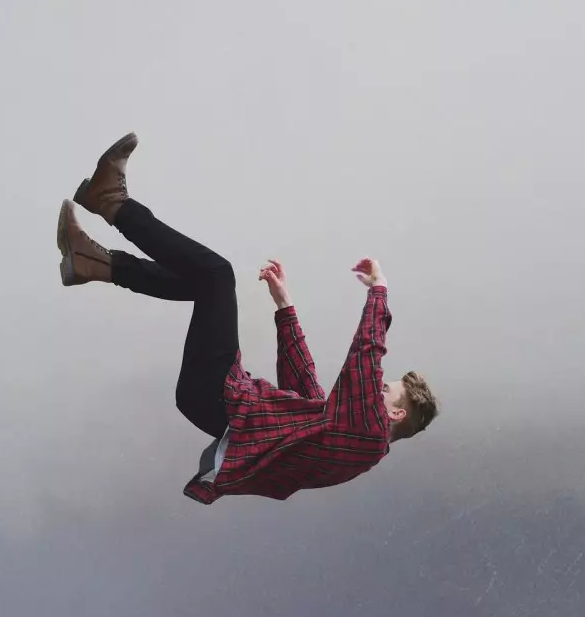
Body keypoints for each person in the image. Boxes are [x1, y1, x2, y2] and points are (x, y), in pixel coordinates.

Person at [56, 132, 439, 504]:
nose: (377, 388)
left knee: (216, 273)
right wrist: (285, 308)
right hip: (215, 402)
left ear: (396, 413)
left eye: (386, 391)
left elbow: (365, 357)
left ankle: (110, 202)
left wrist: (379, 291)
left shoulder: (369, 433)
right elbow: (306, 395)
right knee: (202, 282)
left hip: (221, 399)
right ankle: (93, 263)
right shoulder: (350, 440)